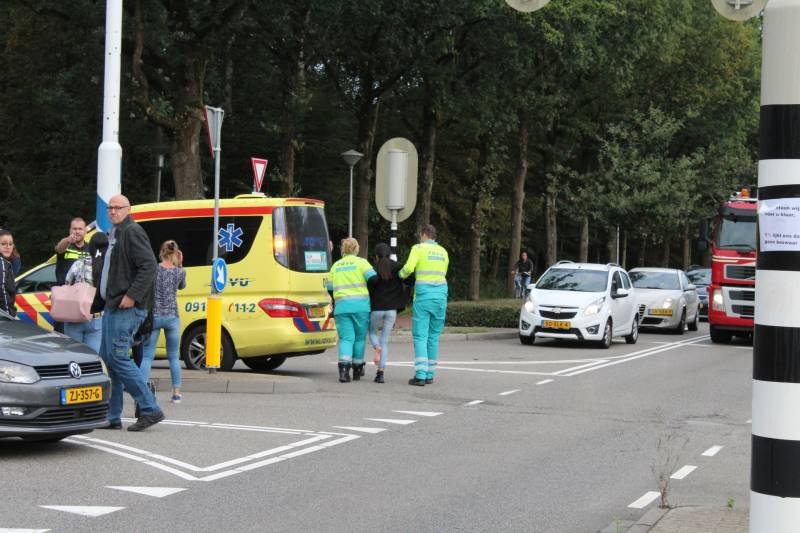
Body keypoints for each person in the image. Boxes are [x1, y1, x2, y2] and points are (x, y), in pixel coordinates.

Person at [99, 194, 164, 432]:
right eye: (110, 208)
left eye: (118, 208)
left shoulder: (131, 231)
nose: (113, 211)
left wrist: (132, 296)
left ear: (128, 209)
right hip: (113, 306)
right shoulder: (115, 233)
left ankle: (150, 408)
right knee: (109, 361)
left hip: (127, 307)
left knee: (117, 358)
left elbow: (149, 266)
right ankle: (112, 415)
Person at [399, 224, 449, 386]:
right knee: (433, 337)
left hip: (423, 298)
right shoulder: (443, 252)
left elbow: (408, 268)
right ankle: (429, 374)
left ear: (423, 234)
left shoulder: (418, 248)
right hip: (441, 297)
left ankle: (420, 375)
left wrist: (399, 276)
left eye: (420, 235)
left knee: (420, 336)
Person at [142, 240, 186, 403]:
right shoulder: (179, 272)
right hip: (172, 317)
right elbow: (182, 286)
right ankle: (176, 393)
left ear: (161, 252)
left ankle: (143, 389)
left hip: (155, 316)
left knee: (147, 356)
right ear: (175, 253)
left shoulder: (154, 270)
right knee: (174, 357)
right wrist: (180, 264)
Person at [330, 237, 377, 383]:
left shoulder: (336, 266)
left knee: (346, 339)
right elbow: (374, 279)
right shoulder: (362, 263)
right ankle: (357, 368)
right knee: (359, 339)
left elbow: (329, 288)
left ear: (343, 249)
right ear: (357, 248)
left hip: (342, 307)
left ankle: (343, 371)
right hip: (361, 307)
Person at [63, 232, 109, 353]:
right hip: (96, 318)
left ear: (91, 246)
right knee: (93, 357)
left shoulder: (79, 263)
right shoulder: (108, 266)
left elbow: (67, 284)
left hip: (75, 316)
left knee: (74, 356)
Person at [367, 242, 405, 384]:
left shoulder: (372, 269)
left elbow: (369, 286)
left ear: (376, 256)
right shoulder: (398, 267)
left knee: (372, 333)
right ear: (390, 255)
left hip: (376, 308)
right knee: (385, 340)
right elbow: (408, 278)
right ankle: (380, 373)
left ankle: (376, 348)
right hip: (391, 309)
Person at [54, 218, 91, 332]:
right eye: (74, 228)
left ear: (85, 231)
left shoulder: (91, 248)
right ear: (70, 230)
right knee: (63, 335)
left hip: (85, 298)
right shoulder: (66, 246)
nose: (77, 231)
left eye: (80, 229)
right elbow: (59, 248)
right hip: (66, 298)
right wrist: (67, 240)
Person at [0, 230, 17, 317]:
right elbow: (1, 289)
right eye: (3, 244)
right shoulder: (1, 262)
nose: (8, 247)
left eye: (10, 244)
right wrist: (8, 316)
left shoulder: (7, 263)